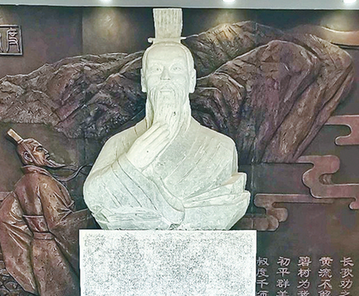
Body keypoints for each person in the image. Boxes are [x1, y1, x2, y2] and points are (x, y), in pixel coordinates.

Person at [83, 8, 249, 231]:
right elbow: (94, 198)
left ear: (191, 81)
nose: (165, 78)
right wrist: (131, 162)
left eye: (176, 69)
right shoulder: (119, 144)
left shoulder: (221, 148)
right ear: (144, 81)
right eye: (156, 69)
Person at [0, 129, 93, 296]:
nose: (45, 152)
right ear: (27, 157)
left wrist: (28, 235)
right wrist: (93, 215)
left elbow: (4, 215)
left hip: (38, 249)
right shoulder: (45, 183)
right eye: (39, 149)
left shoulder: (22, 184)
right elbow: (59, 223)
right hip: (53, 250)